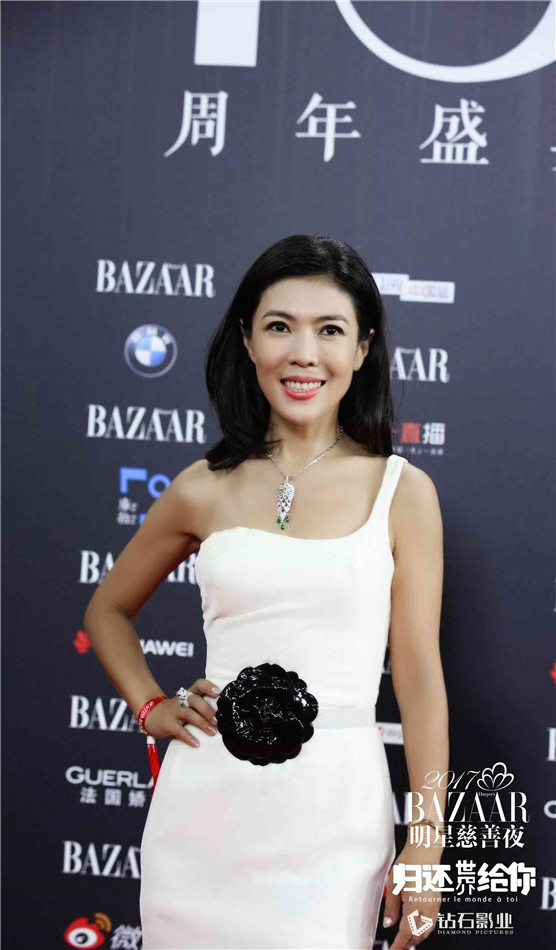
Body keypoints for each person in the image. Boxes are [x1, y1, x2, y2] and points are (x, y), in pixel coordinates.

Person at [83, 234, 448, 950]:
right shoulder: (201, 487)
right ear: (248, 340)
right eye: (280, 326)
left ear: (363, 349)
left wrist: (428, 840)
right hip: (202, 817)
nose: (303, 354)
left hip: (335, 818)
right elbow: (108, 610)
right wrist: (150, 705)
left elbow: (419, 681)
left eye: (330, 330)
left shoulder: (402, 493)